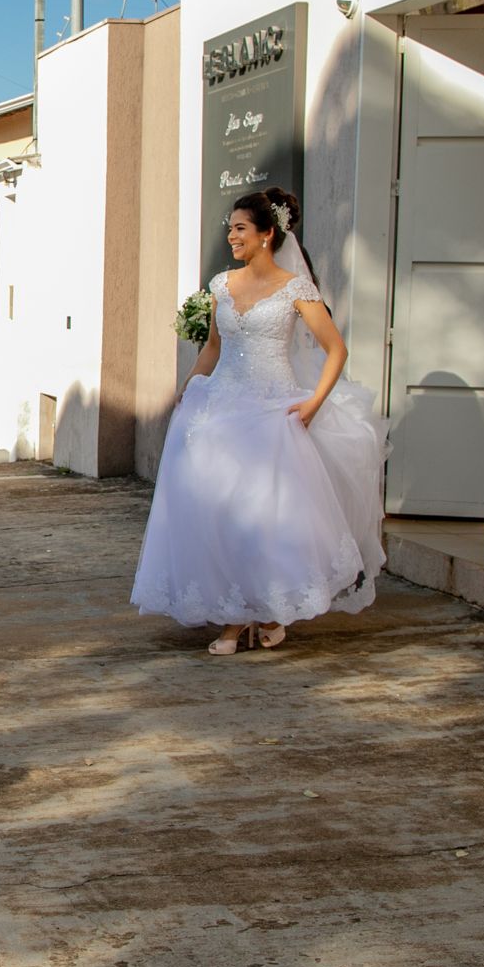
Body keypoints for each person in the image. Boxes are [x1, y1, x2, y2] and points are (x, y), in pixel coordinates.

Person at [131, 187, 387, 655]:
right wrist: (189, 385)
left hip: (273, 410)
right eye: (230, 228)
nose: (232, 236)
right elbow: (213, 346)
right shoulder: (221, 285)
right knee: (221, 514)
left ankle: (255, 617)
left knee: (263, 516)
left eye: (240, 228)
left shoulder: (295, 288)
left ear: (268, 234)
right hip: (222, 406)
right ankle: (241, 618)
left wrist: (312, 405)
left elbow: (336, 350)